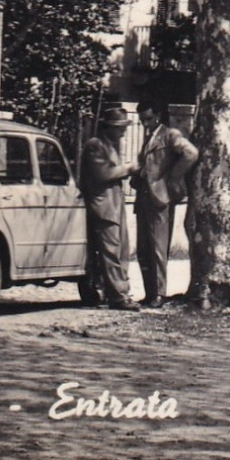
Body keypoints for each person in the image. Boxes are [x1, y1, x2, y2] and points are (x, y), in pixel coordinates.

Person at [133, 103, 200, 309]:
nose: (145, 124)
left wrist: (173, 178)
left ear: (158, 116)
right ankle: (149, 292)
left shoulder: (170, 135)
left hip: (160, 198)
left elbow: (191, 153)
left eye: (148, 119)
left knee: (158, 248)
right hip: (143, 197)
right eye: (142, 120)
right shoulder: (148, 137)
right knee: (143, 248)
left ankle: (160, 293)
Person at [80, 106, 140, 312]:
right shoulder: (95, 146)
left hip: (114, 206)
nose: (123, 132)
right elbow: (102, 174)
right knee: (111, 252)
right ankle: (118, 296)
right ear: (109, 128)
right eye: (119, 127)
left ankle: (116, 291)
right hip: (103, 207)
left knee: (121, 250)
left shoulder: (110, 146)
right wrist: (128, 169)